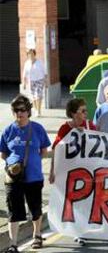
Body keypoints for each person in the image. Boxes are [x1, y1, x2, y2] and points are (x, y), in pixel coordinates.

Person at [1, 94, 51, 252]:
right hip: (13, 178)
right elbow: (3, 153)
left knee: (35, 208)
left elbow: (44, 150)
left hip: (34, 177)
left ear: (28, 111)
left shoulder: (37, 129)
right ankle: (13, 244)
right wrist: (12, 165)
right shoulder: (8, 130)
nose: (19, 113)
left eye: (22, 110)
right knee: (13, 211)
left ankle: (37, 235)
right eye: (16, 110)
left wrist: (33, 162)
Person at [49, 98, 95, 246]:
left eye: (85, 110)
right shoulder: (64, 128)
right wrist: (51, 171)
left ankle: (82, 231)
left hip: (87, 172)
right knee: (73, 203)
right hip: (69, 173)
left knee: (84, 202)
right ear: (74, 114)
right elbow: (56, 149)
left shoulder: (90, 125)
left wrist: (86, 133)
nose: (86, 113)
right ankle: (78, 231)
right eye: (83, 111)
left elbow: (101, 143)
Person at [22, 49, 47, 117]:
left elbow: (45, 72)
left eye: (32, 54)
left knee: (38, 95)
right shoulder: (27, 63)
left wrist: (46, 82)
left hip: (39, 80)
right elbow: (24, 74)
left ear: (34, 54)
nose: (31, 55)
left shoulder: (39, 62)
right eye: (29, 54)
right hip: (31, 81)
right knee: (33, 96)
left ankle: (39, 111)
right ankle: (35, 109)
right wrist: (24, 83)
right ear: (28, 55)